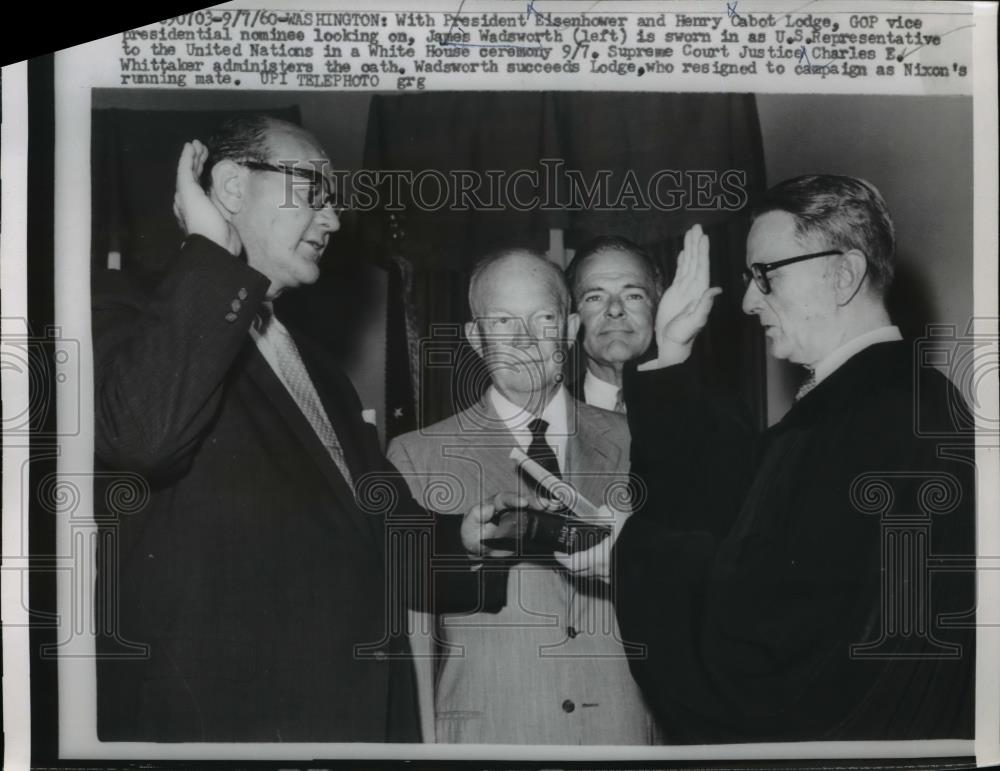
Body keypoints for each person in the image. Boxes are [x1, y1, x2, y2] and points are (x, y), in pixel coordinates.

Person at [92, 115, 526, 742]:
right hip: (220, 732)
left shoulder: (319, 369)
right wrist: (210, 254)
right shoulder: (119, 313)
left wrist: (463, 537)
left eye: (334, 200)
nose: (332, 219)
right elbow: (143, 438)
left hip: (354, 726)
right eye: (312, 191)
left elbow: (376, 534)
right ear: (233, 187)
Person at [566, 176, 976, 742]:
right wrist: (673, 353)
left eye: (766, 275)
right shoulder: (874, 401)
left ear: (844, 273)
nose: (748, 300)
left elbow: (778, 620)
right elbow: (728, 516)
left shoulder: (884, 413)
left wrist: (630, 552)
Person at [386, 249, 657, 744]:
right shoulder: (416, 458)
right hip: (490, 740)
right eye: (503, 321)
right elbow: (414, 644)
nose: (525, 340)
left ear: (571, 329)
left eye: (544, 318)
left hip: (622, 737)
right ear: (475, 337)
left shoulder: (641, 442)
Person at [564, 236, 663, 412]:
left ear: (657, 304)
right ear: (572, 314)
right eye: (594, 298)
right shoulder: (545, 419)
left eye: (633, 295)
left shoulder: (712, 411)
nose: (615, 309)